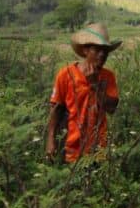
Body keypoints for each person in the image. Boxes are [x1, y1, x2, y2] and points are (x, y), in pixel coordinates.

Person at [46, 23, 121, 163]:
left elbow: (111, 108)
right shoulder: (66, 74)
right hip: (69, 148)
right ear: (85, 50)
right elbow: (55, 110)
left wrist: (94, 85)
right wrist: (50, 141)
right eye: (97, 49)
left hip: (99, 150)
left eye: (105, 51)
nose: (102, 54)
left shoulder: (108, 76)